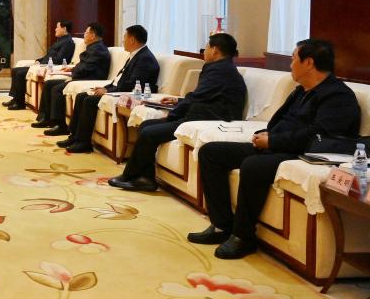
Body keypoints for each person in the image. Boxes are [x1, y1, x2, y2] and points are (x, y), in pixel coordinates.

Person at [189, 39, 361, 259]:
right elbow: (280, 122)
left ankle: (243, 236)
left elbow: (318, 136)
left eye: (293, 59)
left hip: (301, 153)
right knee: (211, 152)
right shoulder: (301, 91)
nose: (290, 64)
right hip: (278, 145)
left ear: (309, 62)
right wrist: (266, 135)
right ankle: (222, 225)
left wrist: (273, 141)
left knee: (253, 165)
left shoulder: (337, 96)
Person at [110, 32, 247, 192]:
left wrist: (173, 114)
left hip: (208, 119)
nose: (204, 51)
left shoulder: (221, 71)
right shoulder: (221, 68)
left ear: (215, 50)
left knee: (148, 132)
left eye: (207, 47)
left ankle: (131, 176)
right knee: (146, 125)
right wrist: (178, 101)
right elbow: (202, 96)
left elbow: (198, 97)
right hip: (201, 114)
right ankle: (145, 178)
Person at [57, 25, 160, 153]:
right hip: (118, 89)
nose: (122, 40)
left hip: (130, 93)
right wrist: (106, 87)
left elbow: (133, 84)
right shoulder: (136, 54)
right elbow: (120, 79)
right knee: (81, 96)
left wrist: (108, 91)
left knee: (89, 100)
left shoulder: (145, 58)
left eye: (124, 37)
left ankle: (83, 142)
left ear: (132, 40)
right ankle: (74, 137)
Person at [32, 23, 110, 134]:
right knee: (49, 83)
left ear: (93, 36)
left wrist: (73, 72)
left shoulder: (98, 50)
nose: (84, 35)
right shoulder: (94, 47)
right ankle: (46, 118)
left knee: (57, 89)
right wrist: (72, 69)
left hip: (89, 79)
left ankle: (60, 125)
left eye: (86, 32)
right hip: (82, 77)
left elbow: (86, 69)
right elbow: (84, 66)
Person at [4, 20, 76, 110]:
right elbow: (49, 55)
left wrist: (43, 63)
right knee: (15, 70)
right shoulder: (60, 41)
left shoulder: (68, 42)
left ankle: (20, 103)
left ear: (64, 29)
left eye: (57, 27)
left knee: (20, 73)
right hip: (43, 64)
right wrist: (39, 60)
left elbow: (59, 59)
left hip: (50, 67)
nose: (55, 29)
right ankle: (15, 99)